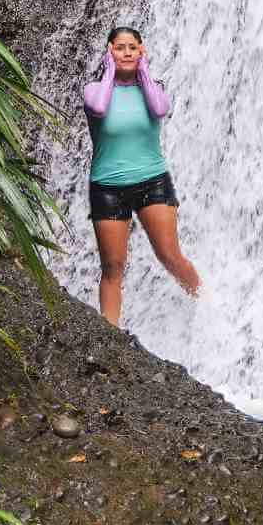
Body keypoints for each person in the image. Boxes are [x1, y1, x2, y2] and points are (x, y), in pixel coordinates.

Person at [83, 24, 200, 326]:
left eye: (132, 47)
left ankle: (206, 302)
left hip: (153, 181)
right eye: (119, 47)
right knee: (113, 267)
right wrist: (110, 70)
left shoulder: (152, 89)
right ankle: (110, 337)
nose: (126, 53)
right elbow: (98, 108)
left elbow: (160, 109)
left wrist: (143, 71)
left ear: (141, 51)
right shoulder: (94, 90)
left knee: (170, 256)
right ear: (109, 51)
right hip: (108, 187)